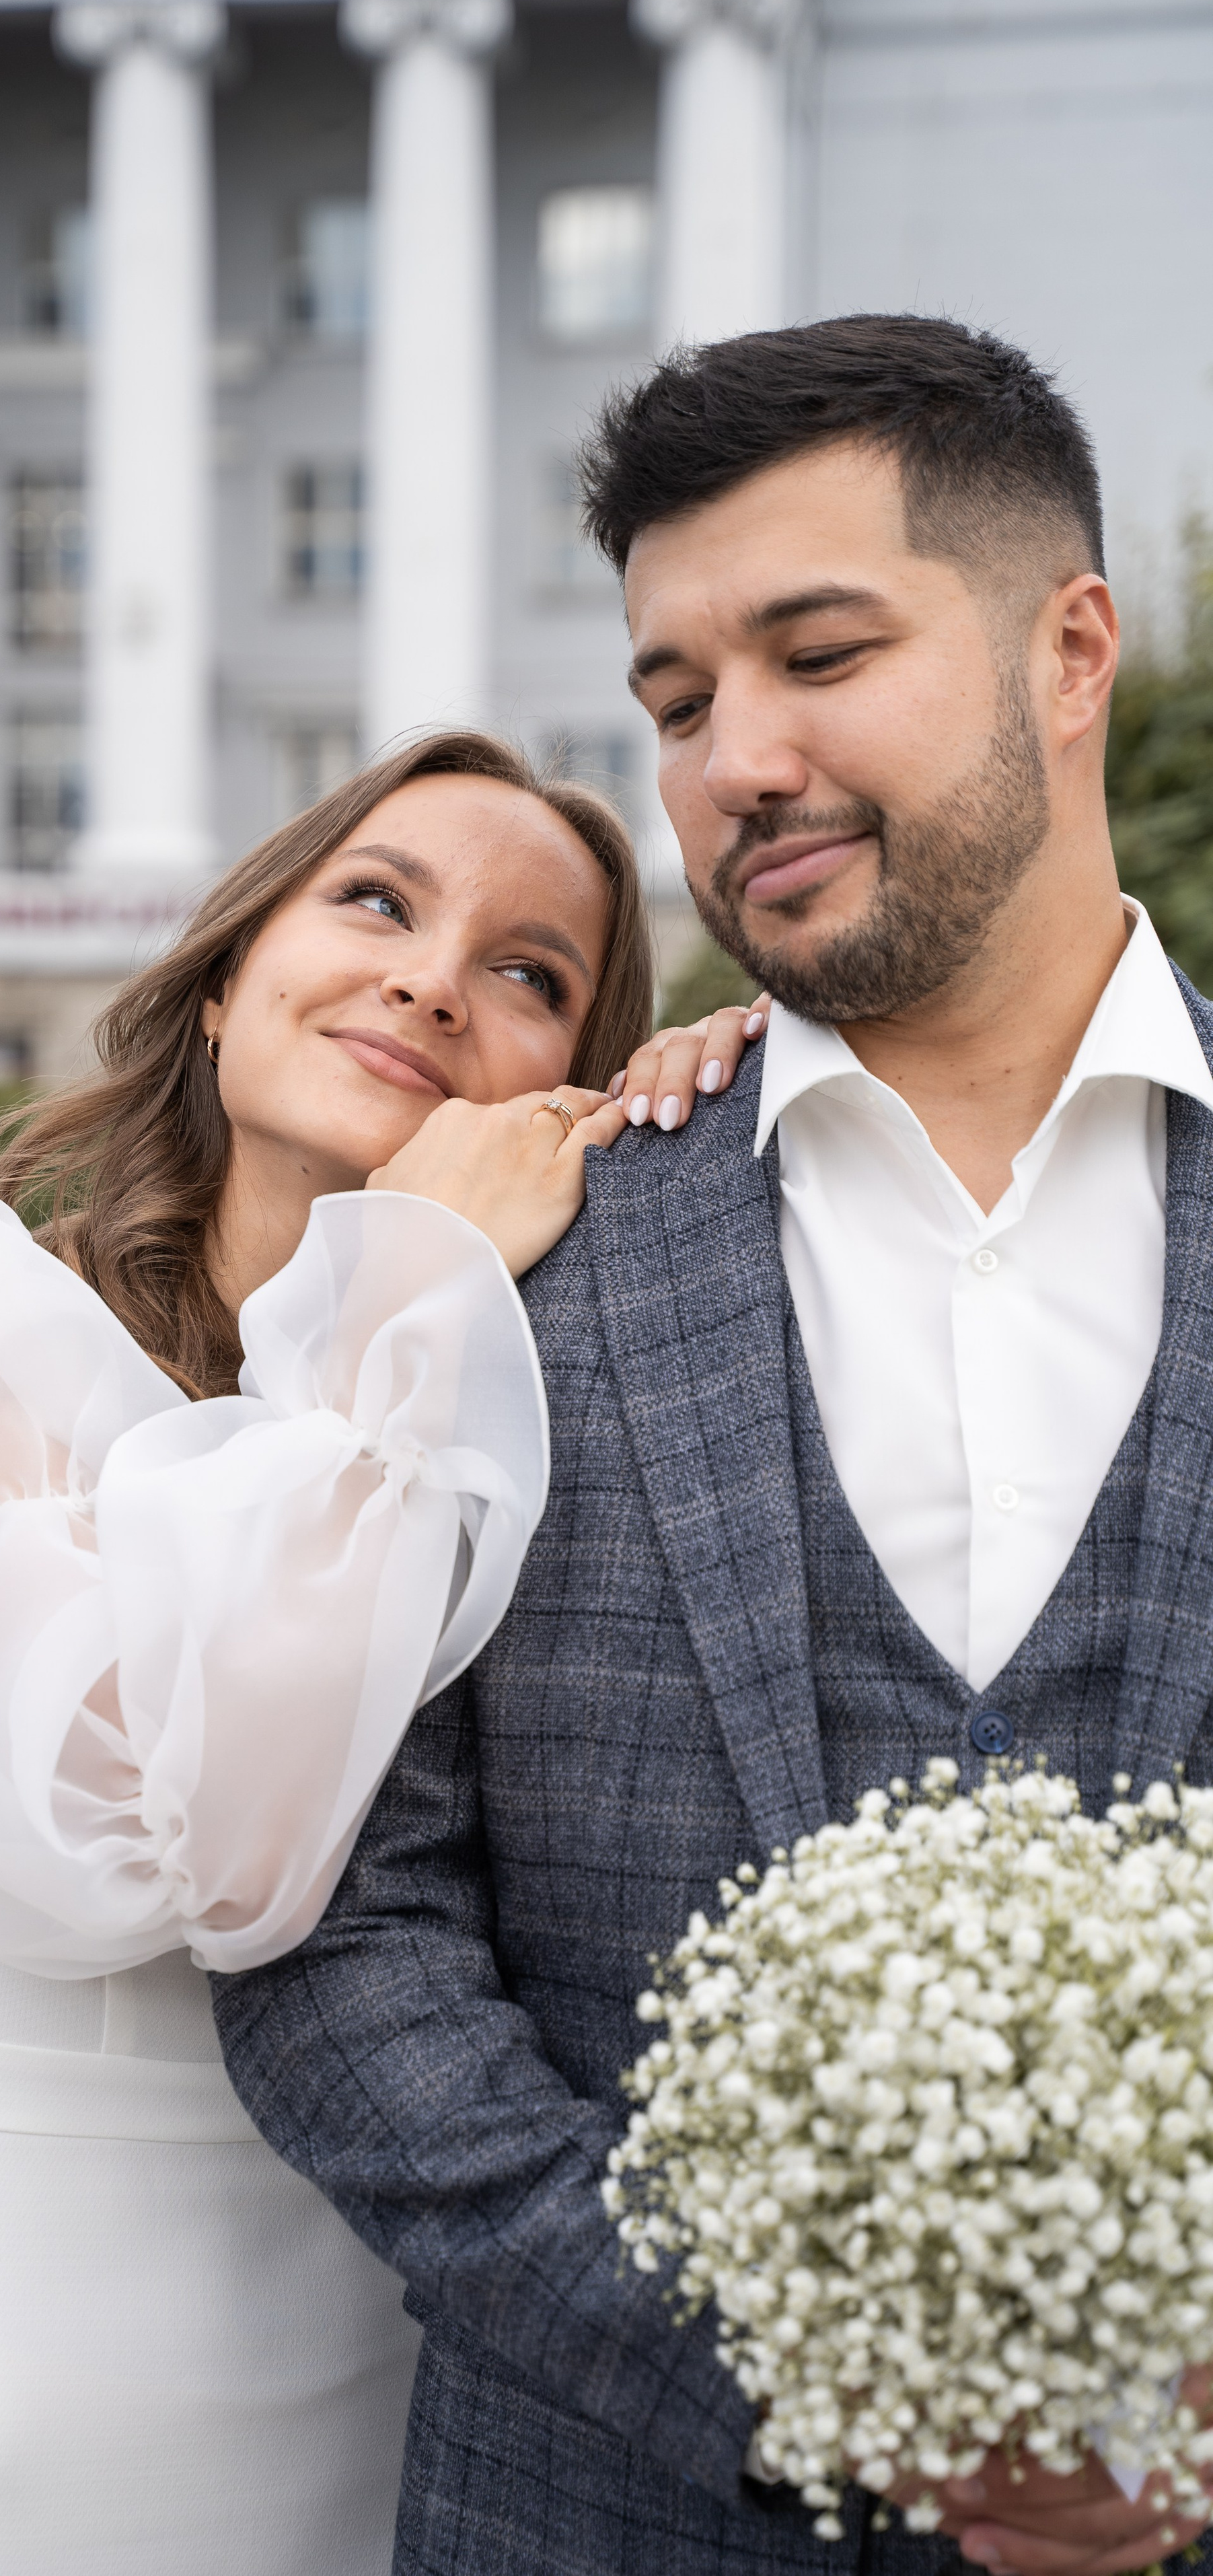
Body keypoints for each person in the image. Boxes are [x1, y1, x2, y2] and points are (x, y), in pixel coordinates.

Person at [215, 313, 1213, 2576]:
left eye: (818, 652)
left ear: (1073, 653)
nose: (732, 758)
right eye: (675, 702)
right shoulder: (512, 1240)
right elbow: (327, 1926)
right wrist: (786, 2389)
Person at [0, 725, 759, 2575]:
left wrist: (718, 1144)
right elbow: (165, 1829)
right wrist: (407, 1280)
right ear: (222, 982)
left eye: (534, 976)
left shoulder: (489, 1441)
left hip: (403, 2443)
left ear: (564, 1090)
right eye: (377, 899)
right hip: (2, 2453)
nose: (436, 979)